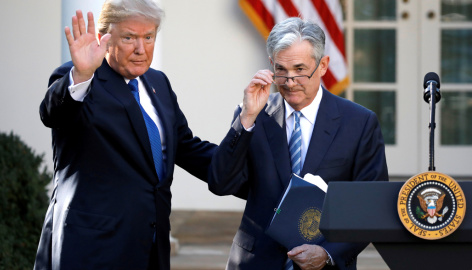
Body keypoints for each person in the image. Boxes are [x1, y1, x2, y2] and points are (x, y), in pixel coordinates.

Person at [34, 1, 216, 269]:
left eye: (149, 37)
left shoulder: (158, 83)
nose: (141, 49)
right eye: (129, 37)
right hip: (91, 249)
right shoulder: (81, 79)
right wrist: (82, 73)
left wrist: (246, 151)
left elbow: (186, 148)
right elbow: (53, 114)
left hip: (150, 247)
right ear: (104, 38)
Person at [208, 17, 389, 270]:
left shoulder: (359, 123)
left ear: (323, 65)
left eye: (300, 69)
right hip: (257, 262)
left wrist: (327, 252)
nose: (290, 81)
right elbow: (220, 183)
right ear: (271, 65)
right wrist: (246, 118)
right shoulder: (252, 115)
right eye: (281, 70)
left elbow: (371, 205)